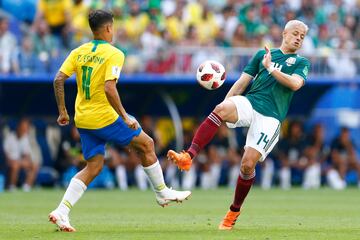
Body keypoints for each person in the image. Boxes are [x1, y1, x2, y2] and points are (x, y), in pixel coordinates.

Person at [49, 10, 191, 232]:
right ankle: (162, 192)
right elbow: (109, 87)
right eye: (112, 27)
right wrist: (125, 117)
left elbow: (58, 79)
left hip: (83, 118)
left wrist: (62, 112)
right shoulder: (114, 53)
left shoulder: (79, 51)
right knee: (147, 144)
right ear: (108, 28)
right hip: (103, 117)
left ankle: (61, 211)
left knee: (94, 166)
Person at [168, 20, 310, 230]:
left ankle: (234, 211)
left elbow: (295, 84)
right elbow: (242, 82)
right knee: (221, 109)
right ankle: (188, 156)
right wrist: (225, 104)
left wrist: (270, 68)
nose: (298, 38)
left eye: (302, 36)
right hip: (250, 102)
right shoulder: (261, 55)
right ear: (284, 33)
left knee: (247, 165)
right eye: (295, 33)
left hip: (271, 118)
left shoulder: (301, 62)